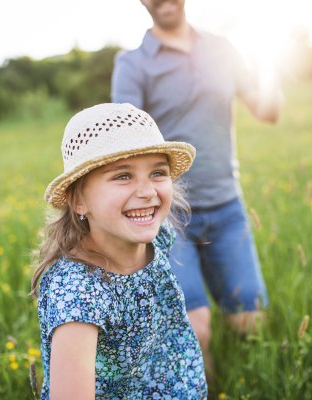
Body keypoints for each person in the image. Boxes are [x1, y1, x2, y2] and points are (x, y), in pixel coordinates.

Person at [111, 0, 283, 374]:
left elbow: (267, 111)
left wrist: (270, 60)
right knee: (195, 330)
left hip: (227, 209)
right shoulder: (134, 62)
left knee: (250, 324)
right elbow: (124, 140)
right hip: (167, 218)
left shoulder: (222, 48)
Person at [32, 103, 207, 399]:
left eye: (158, 173)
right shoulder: (79, 292)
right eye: (123, 176)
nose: (147, 191)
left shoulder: (156, 238)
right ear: (78, 201)